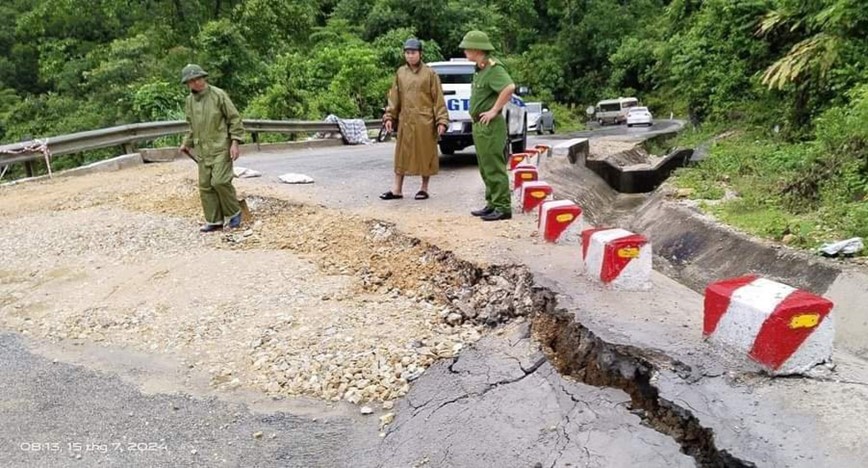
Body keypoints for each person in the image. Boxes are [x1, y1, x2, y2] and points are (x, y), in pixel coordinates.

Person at [380, 38, 449, 201]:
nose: (410, 56)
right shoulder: (400, 73)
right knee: (401, 155)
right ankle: (397, 189)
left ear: (420, 54)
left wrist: (441, 121)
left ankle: (424, 188)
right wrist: (389, 116)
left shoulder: (430, 74)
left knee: (425, 154)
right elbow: (394, 98)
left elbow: (438, 98)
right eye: (407, 53)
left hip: (425, 120)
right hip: (406, 120)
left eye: (413, 53)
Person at [178, 64, 245, 232]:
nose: (196, 83)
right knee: (206, 186)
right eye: (192, 81)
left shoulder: (218, 95)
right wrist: (187, 143)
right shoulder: (190, 102)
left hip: (221, 146)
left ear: (203, 78)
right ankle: (214, 221)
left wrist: (235, 142)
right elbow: (192, 126)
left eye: (198, 78)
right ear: (188, 84)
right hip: (203, 150)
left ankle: (234, 213)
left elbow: (234, 119)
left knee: (220, 181)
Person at [460, 31, 515, 221]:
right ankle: (492, 203)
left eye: (467, 47)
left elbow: (509, 88)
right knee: (485, 167)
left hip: (491, 125)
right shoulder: (480, 69)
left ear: (477, 49)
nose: (465, 50)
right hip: (479, 125)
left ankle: (502, 207)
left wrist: (494, 110)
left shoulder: (493, 68)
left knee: (494, 166)